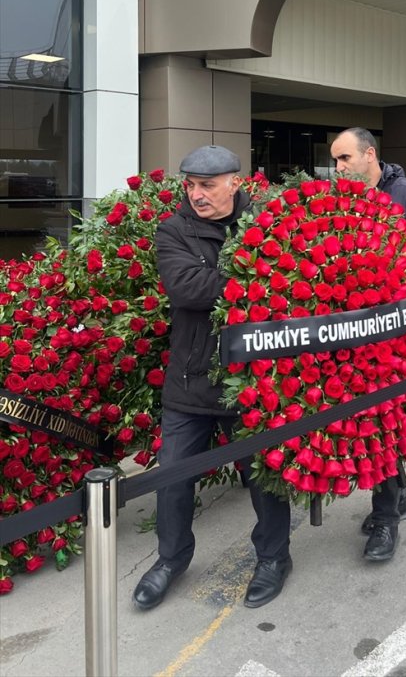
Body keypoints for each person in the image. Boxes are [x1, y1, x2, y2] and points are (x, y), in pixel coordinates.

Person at [132, 144, 262, 611]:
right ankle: (171, 559)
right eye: (190, 185)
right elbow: (185, 289)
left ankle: (272, 557)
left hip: (252, 379)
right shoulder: (174, 229)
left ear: (235, 183)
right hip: (190, 379)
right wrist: (256, 276)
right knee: (172, 478)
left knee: (264, 477)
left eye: (207, 185)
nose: (197, 194)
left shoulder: (263, 221)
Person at [329, 128, 406, 561]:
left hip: (396, 334)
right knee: (368, 419)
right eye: (335, 162)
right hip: (351, 331)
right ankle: (397, 497)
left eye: (344, 159)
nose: (338, 169)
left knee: (383, 421)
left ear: (369, 154)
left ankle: (385, 519)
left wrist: (384, 261)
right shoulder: (340, 197)